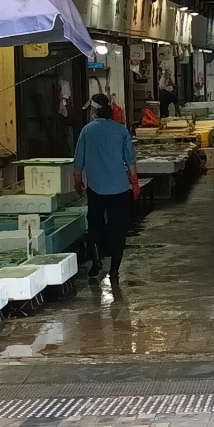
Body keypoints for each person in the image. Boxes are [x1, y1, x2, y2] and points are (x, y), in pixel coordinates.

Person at [73, 93, 138, 289]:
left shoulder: (87, 131)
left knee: (94, 224)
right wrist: (134, 183)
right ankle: (115, 270)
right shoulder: (121, 131)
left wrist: (77, 181)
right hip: (119, 188)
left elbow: (78, 162)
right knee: (119, 229)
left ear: (94, 111)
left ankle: (96, 261)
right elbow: (130, 160)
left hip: (96, 188)